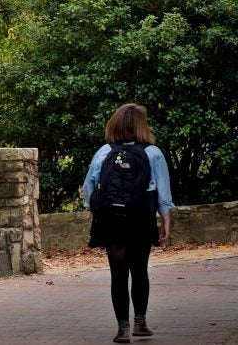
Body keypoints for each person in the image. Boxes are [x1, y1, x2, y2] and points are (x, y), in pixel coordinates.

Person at [83, 103, 175, 343]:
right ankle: (140, 324)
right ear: (141, 126)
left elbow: (89, 187)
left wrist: (96, 212)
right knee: (139, 270)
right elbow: (163, 190)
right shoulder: (152, 153)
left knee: (118, 273)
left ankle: (122, 328)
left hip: (111, 218)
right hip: (141, 216)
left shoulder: (104, 151)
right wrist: (166, 219)